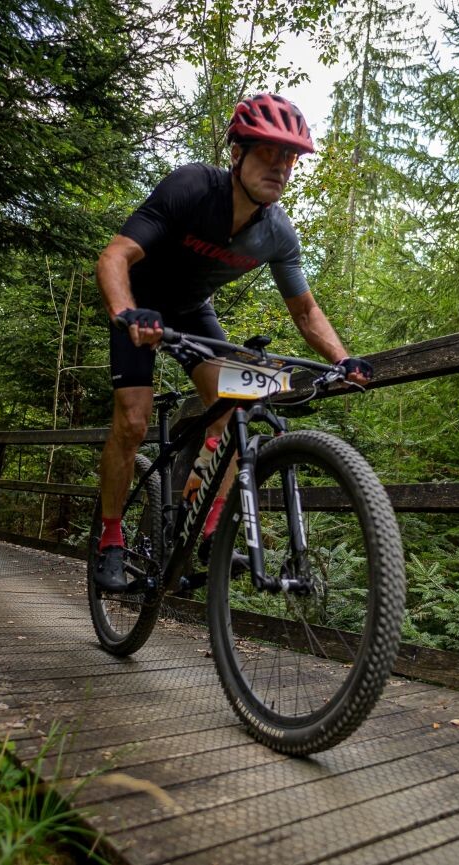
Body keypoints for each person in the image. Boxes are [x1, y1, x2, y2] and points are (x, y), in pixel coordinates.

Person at [93, 92, 373, 591]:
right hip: (141, 303)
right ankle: (110, 539)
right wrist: (125, 312)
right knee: (132, 421)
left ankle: (206, 534)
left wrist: (344, 358)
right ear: (237, 153)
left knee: (231, 407)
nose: (281, 167)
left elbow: (305, 311)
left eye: (290, 158)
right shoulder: (192, 188)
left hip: (191, 314)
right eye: (268, 152)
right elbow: (115, 256)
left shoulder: (278, 233)